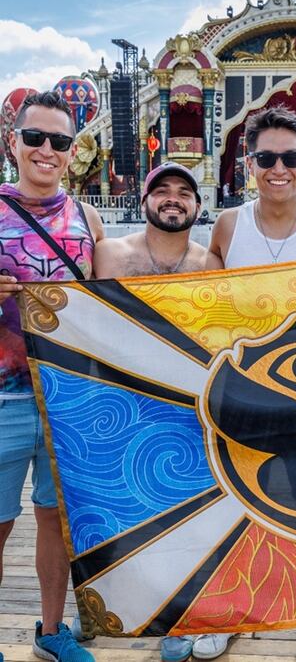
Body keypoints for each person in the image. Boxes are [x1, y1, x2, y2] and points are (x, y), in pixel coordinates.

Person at [201, 105, 296, 662]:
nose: (278, 169)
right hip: (245, 393)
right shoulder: (228, 227)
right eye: (266, 158)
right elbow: (202, 306)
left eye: (290, 157)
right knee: (238, 504)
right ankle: (232, 610)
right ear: (249, 164)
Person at [93, 161, 219, 662]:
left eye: (183, 193)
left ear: (197, 205)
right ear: (144, 201)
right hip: (121, 403)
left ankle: (179, 620)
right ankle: (123, 606)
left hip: (187, 409)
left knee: (188, 519)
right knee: (121, 512)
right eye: (161, 190)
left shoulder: (210, 265)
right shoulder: (109, 253)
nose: (172, 198)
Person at [0, 90, 105, 662]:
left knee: (52, 520)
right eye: (35, 138)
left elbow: (114, 303)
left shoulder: (86, 218)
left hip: (67, 396)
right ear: (13, 142)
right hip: (3, 397)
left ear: (71, 151)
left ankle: (49, 629)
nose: (47, 150)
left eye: (59, 141)